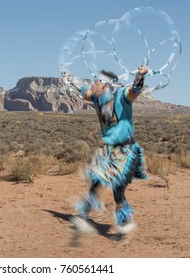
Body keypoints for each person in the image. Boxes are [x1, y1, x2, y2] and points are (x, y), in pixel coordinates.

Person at [64, 66, 149, 233]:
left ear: (106, 87)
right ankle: (85, 218)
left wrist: (140, 75)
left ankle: (125, 223)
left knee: (118, 192)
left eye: (96, 84)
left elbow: (135, 89)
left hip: (126, 153)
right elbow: (83, 90)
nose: (92, 86)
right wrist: (70, 77)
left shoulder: (122, 96)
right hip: (110, 152)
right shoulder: (96, 99)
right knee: (96, 182)